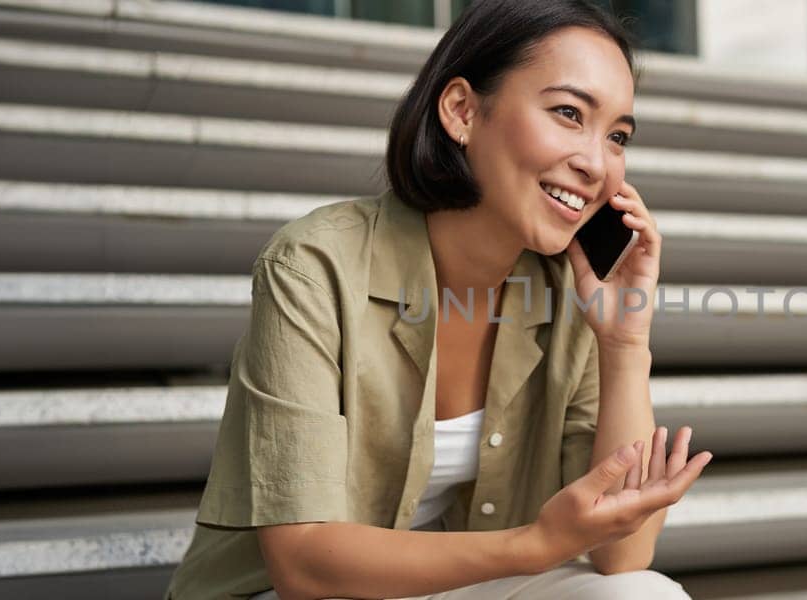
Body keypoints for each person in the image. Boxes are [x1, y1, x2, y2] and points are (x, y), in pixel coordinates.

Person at [162, 0, 713, 598]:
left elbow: (624, 552)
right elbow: (303, 565)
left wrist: (625, 341)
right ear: (461, 111)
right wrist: (534, 544)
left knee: (639, 594)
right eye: (567, 113)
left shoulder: (567, 289)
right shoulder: (316, 265)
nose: (595, 163)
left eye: (617, 137)